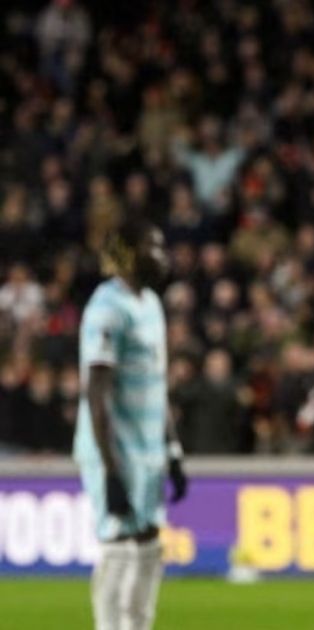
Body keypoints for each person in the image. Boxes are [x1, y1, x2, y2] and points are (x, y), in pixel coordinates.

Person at [75, 217, 188, 630]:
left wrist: (173, 450)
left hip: (149, 450)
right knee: (119, 546)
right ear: (127, 254)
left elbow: (157, 386)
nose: (162, 256)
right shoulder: (106, 307)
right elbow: (96, 392)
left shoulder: (152, 304)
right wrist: (109, 470)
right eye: (153, 247)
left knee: (149, 545)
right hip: (116, 450)